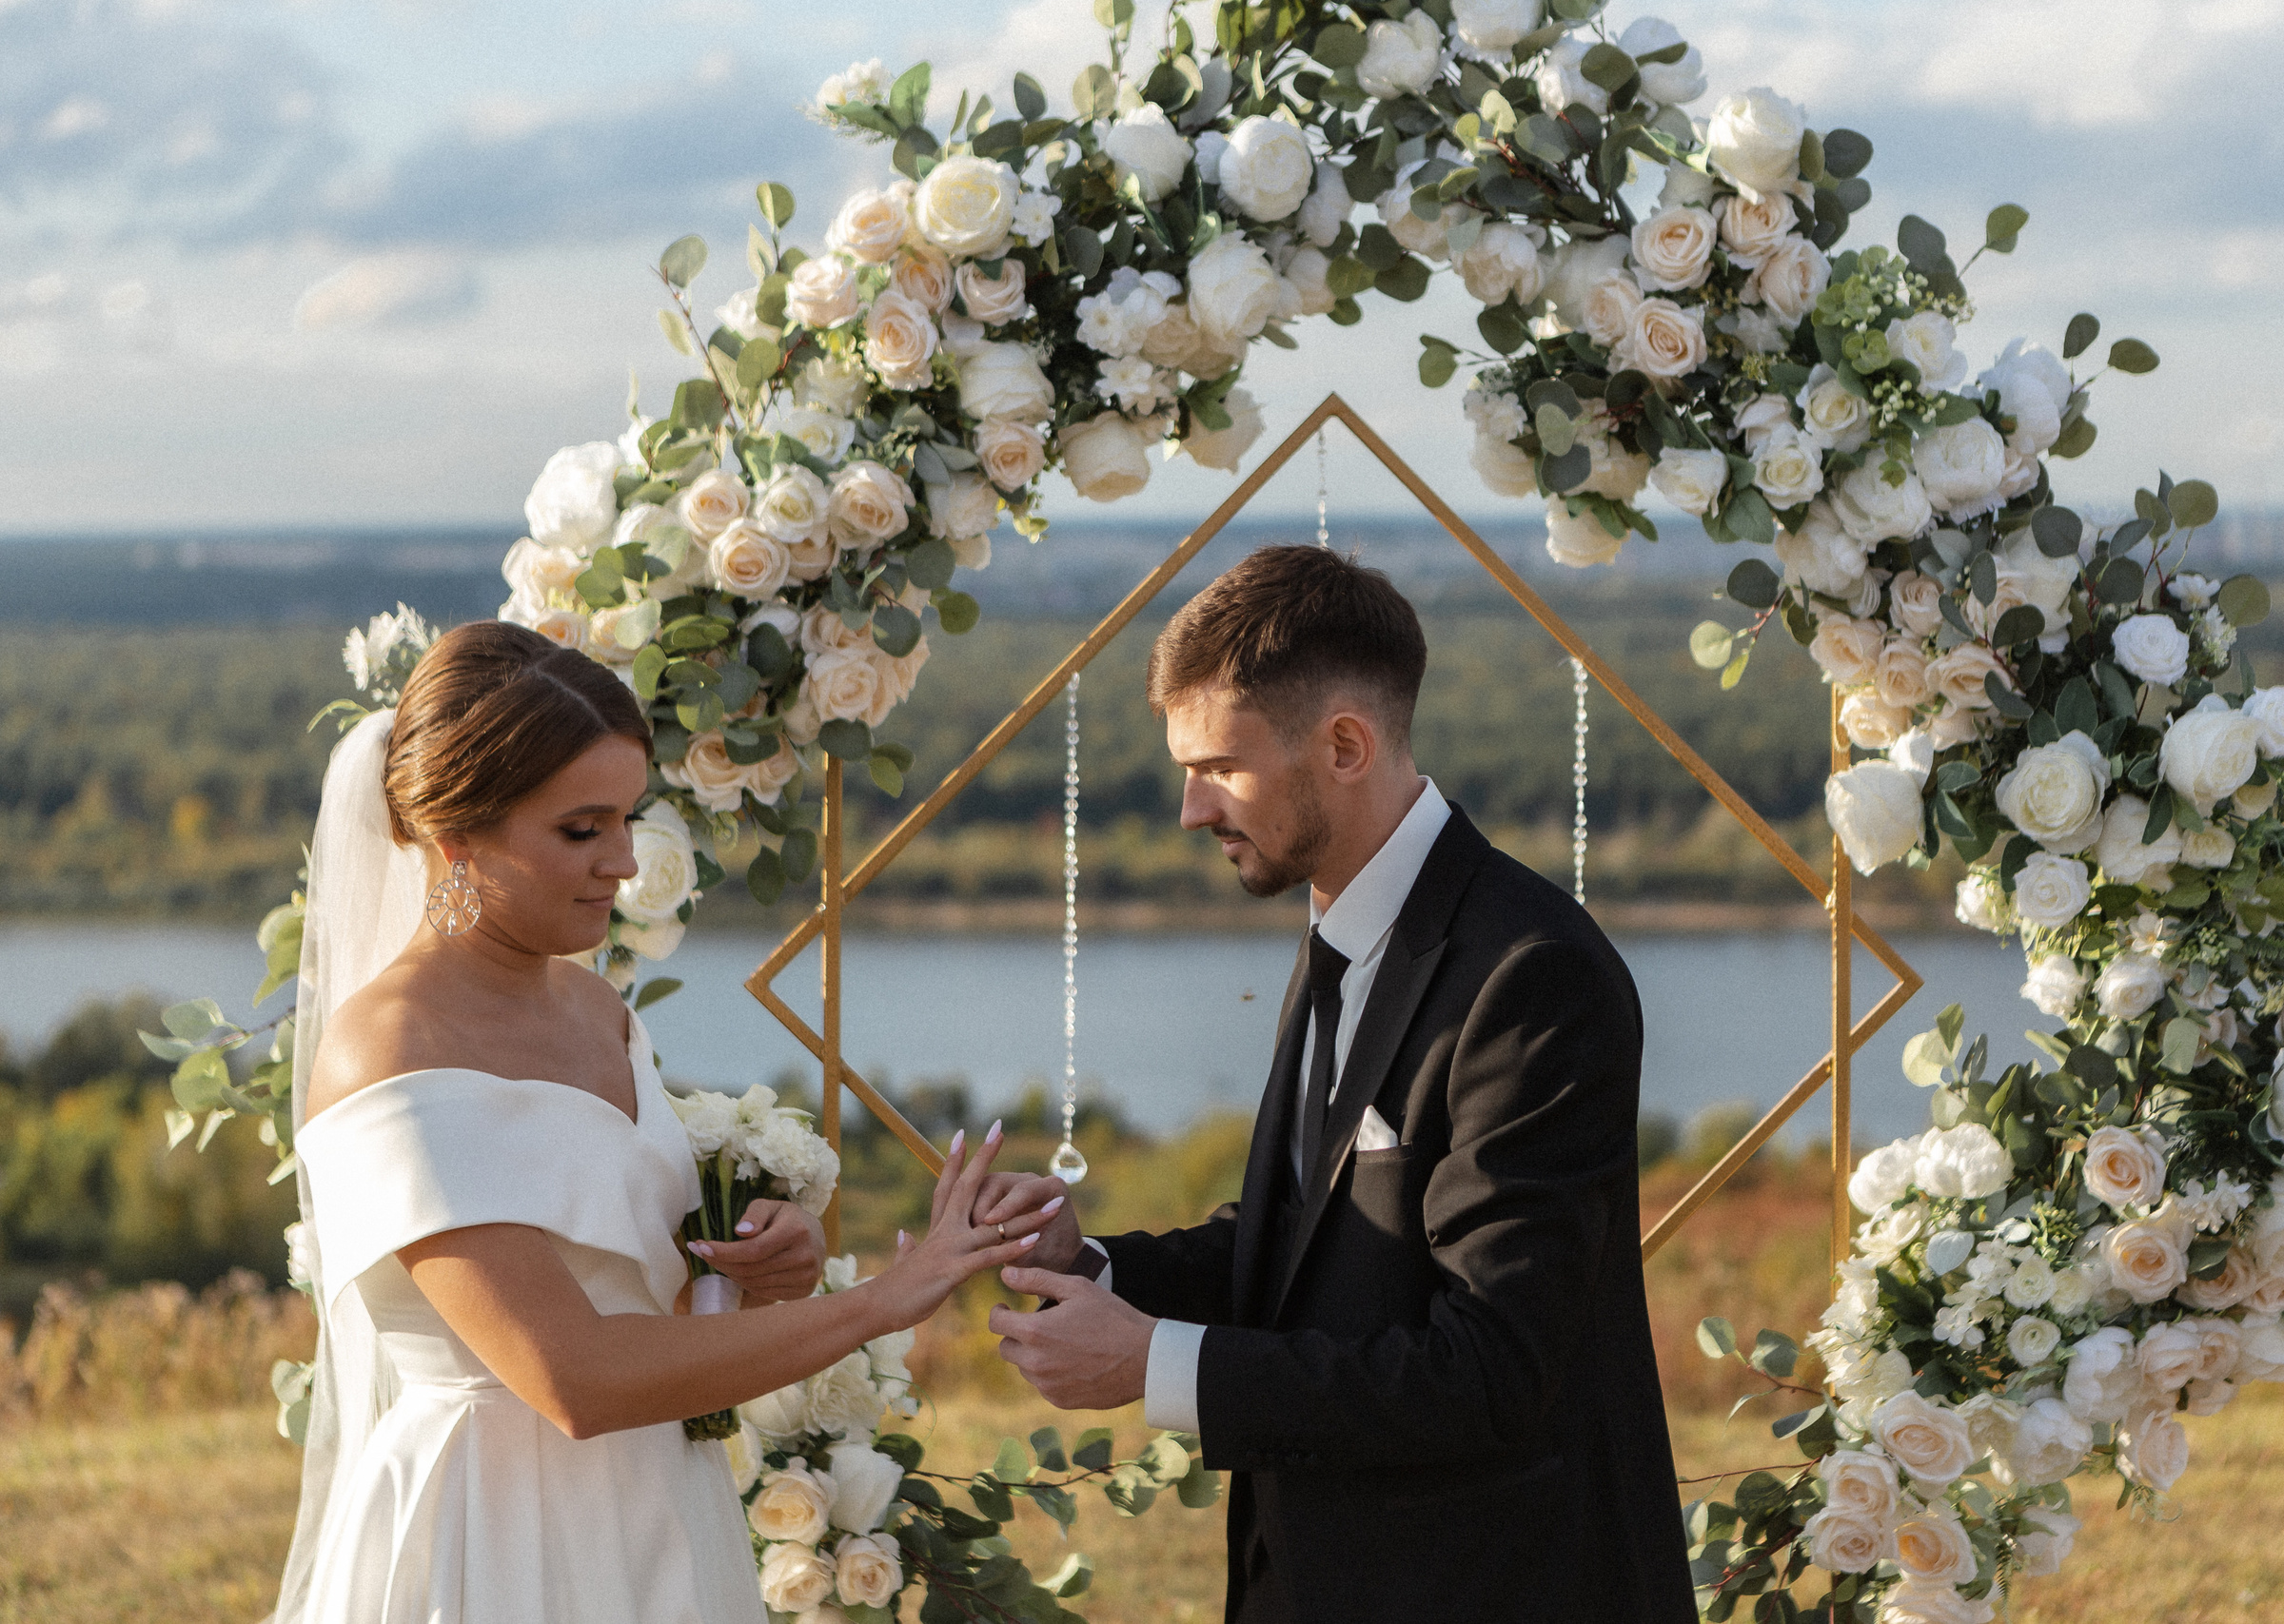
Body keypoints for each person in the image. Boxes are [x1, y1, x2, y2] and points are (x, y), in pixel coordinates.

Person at [976, 547, 1700, 1623]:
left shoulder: (1531, 975)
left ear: (1346, 746)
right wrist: (1094, 1267)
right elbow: (1313, 1249)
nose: (1190, 809)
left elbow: (1488, 1370)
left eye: (1219, 766)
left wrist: (1160, 1365)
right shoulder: (1345, 931)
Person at [279, 621, 1051, 1624]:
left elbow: (650, 1299)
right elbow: (574, 1377)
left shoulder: (596, 1010)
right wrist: (880, 1302)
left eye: (627, 820)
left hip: (659, 1507)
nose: (624, 862)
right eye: (580, 830)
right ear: (456, 835)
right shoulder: (389, 1049)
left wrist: (759, 1269)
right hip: (493, 1530)